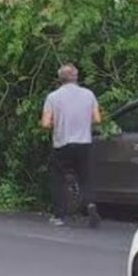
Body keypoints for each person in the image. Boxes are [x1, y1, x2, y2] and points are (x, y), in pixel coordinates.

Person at [41, 63, 102, 228]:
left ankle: (59, 215)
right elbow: (97, 119)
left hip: (62, 143)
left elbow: (46, 123)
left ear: (60, 79)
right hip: (84, 142)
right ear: (76, 77)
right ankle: (90, 205)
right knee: (86, 177)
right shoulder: (89, 94)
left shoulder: (53, 97)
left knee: (58, 178)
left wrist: (58, 121)